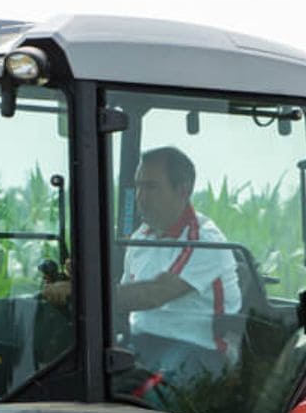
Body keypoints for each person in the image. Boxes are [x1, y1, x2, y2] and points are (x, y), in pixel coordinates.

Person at [42, 146, 240, 390]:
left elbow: (153, 294)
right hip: (144, 343)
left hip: (199, 351)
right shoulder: (141, 237)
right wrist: (83, 280)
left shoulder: (204, 241)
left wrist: (78, 291)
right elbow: (124, 297)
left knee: (133, 397)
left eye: (151, 187)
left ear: (183, 190)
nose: (140, 197)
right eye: (138, 186)